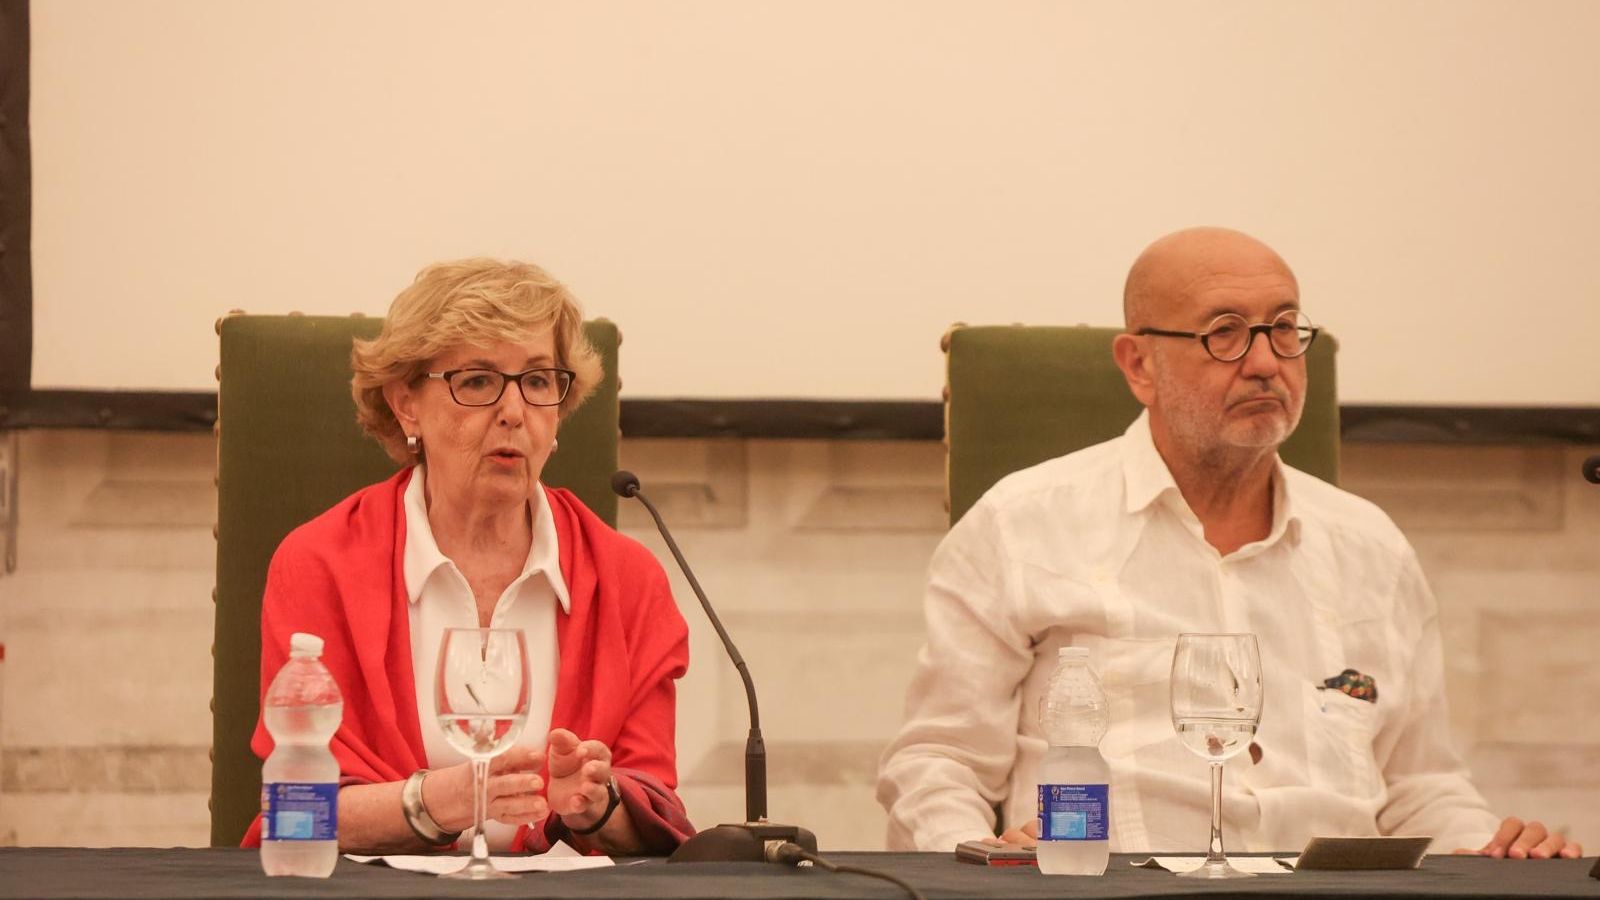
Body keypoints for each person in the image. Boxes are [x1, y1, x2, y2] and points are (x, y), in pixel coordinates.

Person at [876, 227, 1581, 860]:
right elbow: (940, 764)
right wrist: (979, 862)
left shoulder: (1370, 546)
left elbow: (1419, 785)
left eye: (1283, 329)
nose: (1266, 362)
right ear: (1139, 365)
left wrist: (1491, 852)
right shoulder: (1022, 526)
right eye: (1225, 333)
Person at [243, 258, 694, 855]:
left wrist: (596, 803)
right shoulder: (320, 564)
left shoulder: (627, 580)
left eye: (537, 382)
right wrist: (439, 802)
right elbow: (296, 818)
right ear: (407, 404)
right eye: (477, 381)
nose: (514, 412)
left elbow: (656, 821)